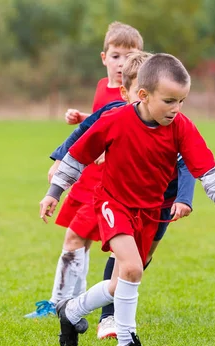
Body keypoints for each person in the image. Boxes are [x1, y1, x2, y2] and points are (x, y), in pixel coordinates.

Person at [39, 53, 215, 346]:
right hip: (113, 203)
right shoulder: (114, 121)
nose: (176, 109)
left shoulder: (180, 127)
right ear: (144, 95)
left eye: (182, 101)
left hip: (149, 213)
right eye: (169, 101)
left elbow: (204, 165)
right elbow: (77, 156)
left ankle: (71, 310)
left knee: (120, 283)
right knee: (133, 268)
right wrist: (55, 192)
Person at [26, 53, 195, 331]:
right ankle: (108, 320)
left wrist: (184, 198)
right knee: (113, 256)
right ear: (128, 92)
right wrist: (58, 167)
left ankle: (78, 308)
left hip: (159, 206)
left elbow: (188, 163)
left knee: (137, 264)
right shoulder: (114, 115)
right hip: (114, 198)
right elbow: (84, 133)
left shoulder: (171, 127)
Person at [25, 22, 144, 319]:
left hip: (105, 186)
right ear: (104, 57)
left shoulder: (135, 97)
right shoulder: (103, 88)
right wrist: (83, 119)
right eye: (116, 56)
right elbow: (101, 123)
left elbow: (122, 129)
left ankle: (60, 305)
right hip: (85, 177)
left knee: (74, 239)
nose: (122, 64)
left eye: (130, 57)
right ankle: (74, 301)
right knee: (80, 241)